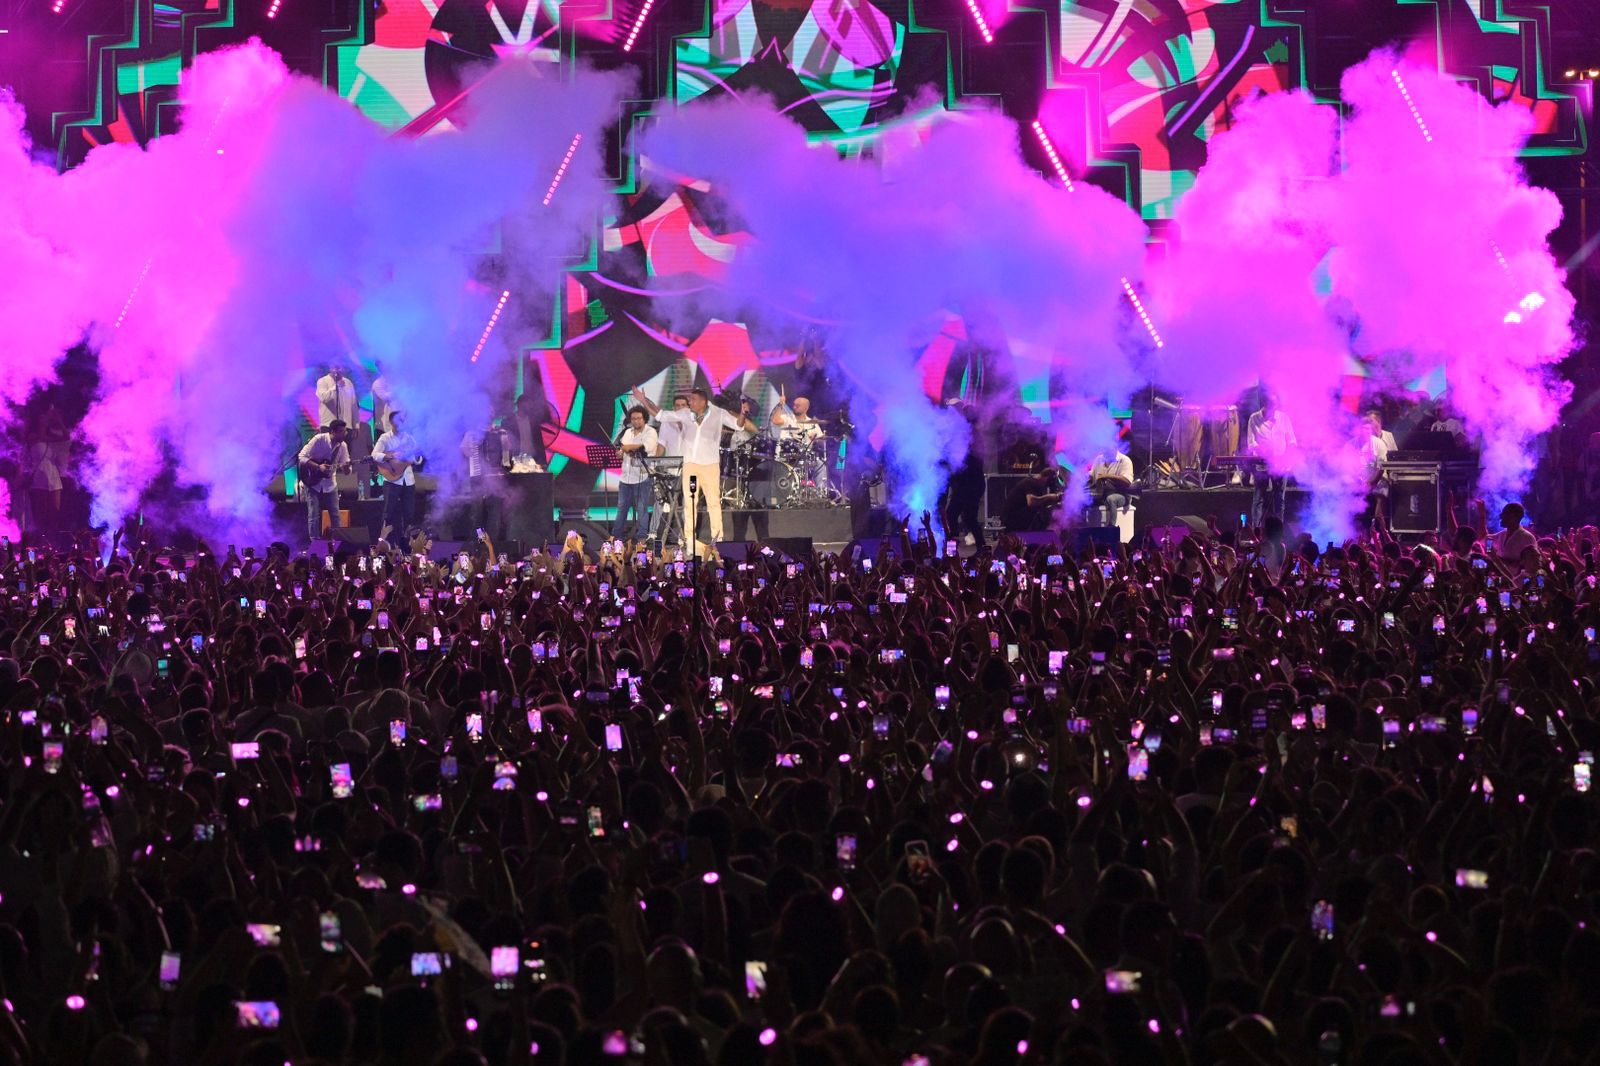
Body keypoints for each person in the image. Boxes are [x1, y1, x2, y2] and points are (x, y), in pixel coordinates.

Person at [633, 386, 753, 556]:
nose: (690, 402)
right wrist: (643, 400)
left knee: (713, 502)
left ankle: (717, 539)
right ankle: (690, 540)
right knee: (690, 502)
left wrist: (743, 414)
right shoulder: (685, 414)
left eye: (693, 400)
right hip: (691, 467)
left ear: (703, 402)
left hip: (710, 466)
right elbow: (660, 415)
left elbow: (738, 426)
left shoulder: (718, 413)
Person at [460, 415, 513, 543]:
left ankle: (491, 543)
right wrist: (473, 454)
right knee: (477, 513)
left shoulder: (500, 433)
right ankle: (477, 542)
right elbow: (464, 449)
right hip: (478, 478)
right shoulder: (472, 433)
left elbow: (507, 452)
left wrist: (505, 446)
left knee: (495, 512)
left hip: (496, 479)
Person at [372, 410, 424, 541]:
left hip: (408, 480)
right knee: (388, 513)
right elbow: (374, 454)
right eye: (398, 419)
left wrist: (416, 456)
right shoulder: (385, 438)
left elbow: (418, 459)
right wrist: (389, 456)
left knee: (409, 513)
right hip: (391, 480)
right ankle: (385, 543)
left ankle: (409, 544)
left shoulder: (409, 438)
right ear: (391, 421)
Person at [1245, 393, 1296, 524]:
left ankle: (1277, 529)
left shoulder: (1284, 418)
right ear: (1264, 404)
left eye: (1275, 405)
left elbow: (1292, 441)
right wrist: (1263, 452)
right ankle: (1256, 529)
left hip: (1280, 466)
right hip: (1261, 465)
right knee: (1259, 499)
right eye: (1271, 405)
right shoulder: (1254, 418)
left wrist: (1286, 458)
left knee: (1279, 499)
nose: (1274, 408)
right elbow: (1251, 443)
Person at [297, 418, 350, 541]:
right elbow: (301, 457)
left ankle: (337, 542)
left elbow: (346, 471)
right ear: (333, 432)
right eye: (341, 431)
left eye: (345, 431)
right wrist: (318, 467)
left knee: (335, 515)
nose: (344, 434)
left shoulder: (343, 446)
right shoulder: (319, 439)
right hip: (312, 482)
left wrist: (347, 467)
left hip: (330, 485)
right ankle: (314, 543)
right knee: (314, 515)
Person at [613, 407, 658, 545]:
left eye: (639, 418)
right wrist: (620, 453)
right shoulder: (627, 432)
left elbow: (647, 447)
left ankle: (642, 538)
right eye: (633, 418)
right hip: (625, 477)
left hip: (642, 476)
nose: (636, 421)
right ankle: (616, 537)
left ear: (644, 419)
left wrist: (628, 447)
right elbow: (623, 450)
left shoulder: (650, 431)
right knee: (622, 508)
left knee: (641, 508)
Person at [999, 466, 1063, 532]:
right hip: (1011, 519)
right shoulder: (1030, 483)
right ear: (1046, 478)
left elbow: (1040, 502)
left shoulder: (1037, 485)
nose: (1046, 486)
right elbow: (1031, 502)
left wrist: (1055, 499)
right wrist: (1049, 497)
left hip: (1016, 519)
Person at [1489, 501, 1537, 565]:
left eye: (1505, 513)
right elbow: (1487, 538)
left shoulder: (1528, 538)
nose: (1500, 516)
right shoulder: (1502, 534)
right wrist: (1489, 551)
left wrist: (1497, 559)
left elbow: (1532, 563)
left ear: (1515, 517)